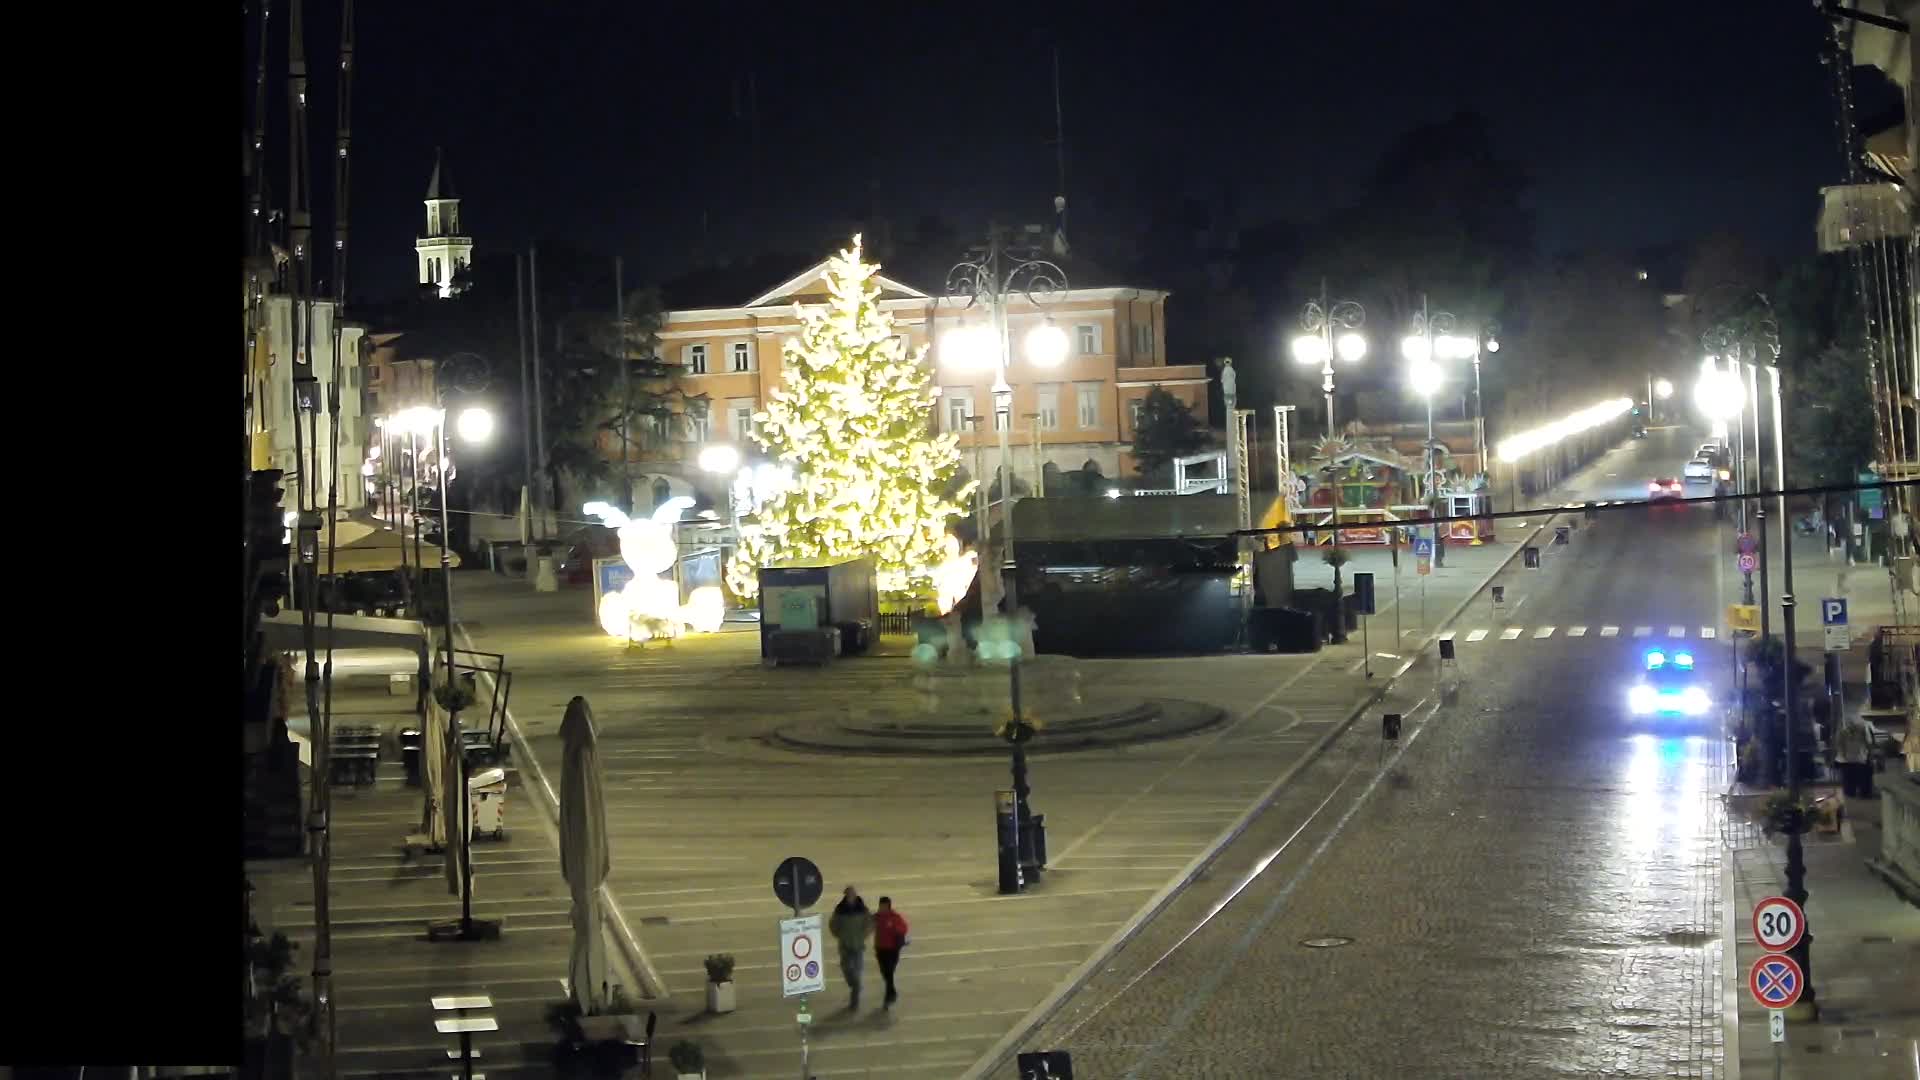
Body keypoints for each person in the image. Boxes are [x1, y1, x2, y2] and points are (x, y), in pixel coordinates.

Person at [827, 886, 873, 1010]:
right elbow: (833, 924)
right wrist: (840, 935)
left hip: (858, 946)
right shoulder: (840, 909)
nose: (850, 897)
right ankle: (855, 986)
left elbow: (870, 923)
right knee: (846, 969)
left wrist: (863, 935)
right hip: (845, 946)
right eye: (848, 895)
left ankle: (855, 999)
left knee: (857, 973)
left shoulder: (862, 909)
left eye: (852, 895)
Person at [873, 895, 910, 1009]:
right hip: (880, 948)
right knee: (885, 972)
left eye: (884, 906)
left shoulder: (895, 917)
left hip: (892, 949)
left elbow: (904, 928)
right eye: (881, 906)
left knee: (889, 971)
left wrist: (893, 927)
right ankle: (892, 992)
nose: (882, 908)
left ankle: (888, 996)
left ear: (888, 906)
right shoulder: (876, 917)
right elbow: (866, 925)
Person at [1833, 715, 1875, 799]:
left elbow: (1867, 744)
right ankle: (1857, 792)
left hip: (1856, 758)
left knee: (1853, 778)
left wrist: (1868, 754)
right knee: (1854, 777)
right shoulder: (1844, 732)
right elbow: (1839, 745)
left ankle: (1858, 792)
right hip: (1852, 759)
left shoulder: (1860, 730)